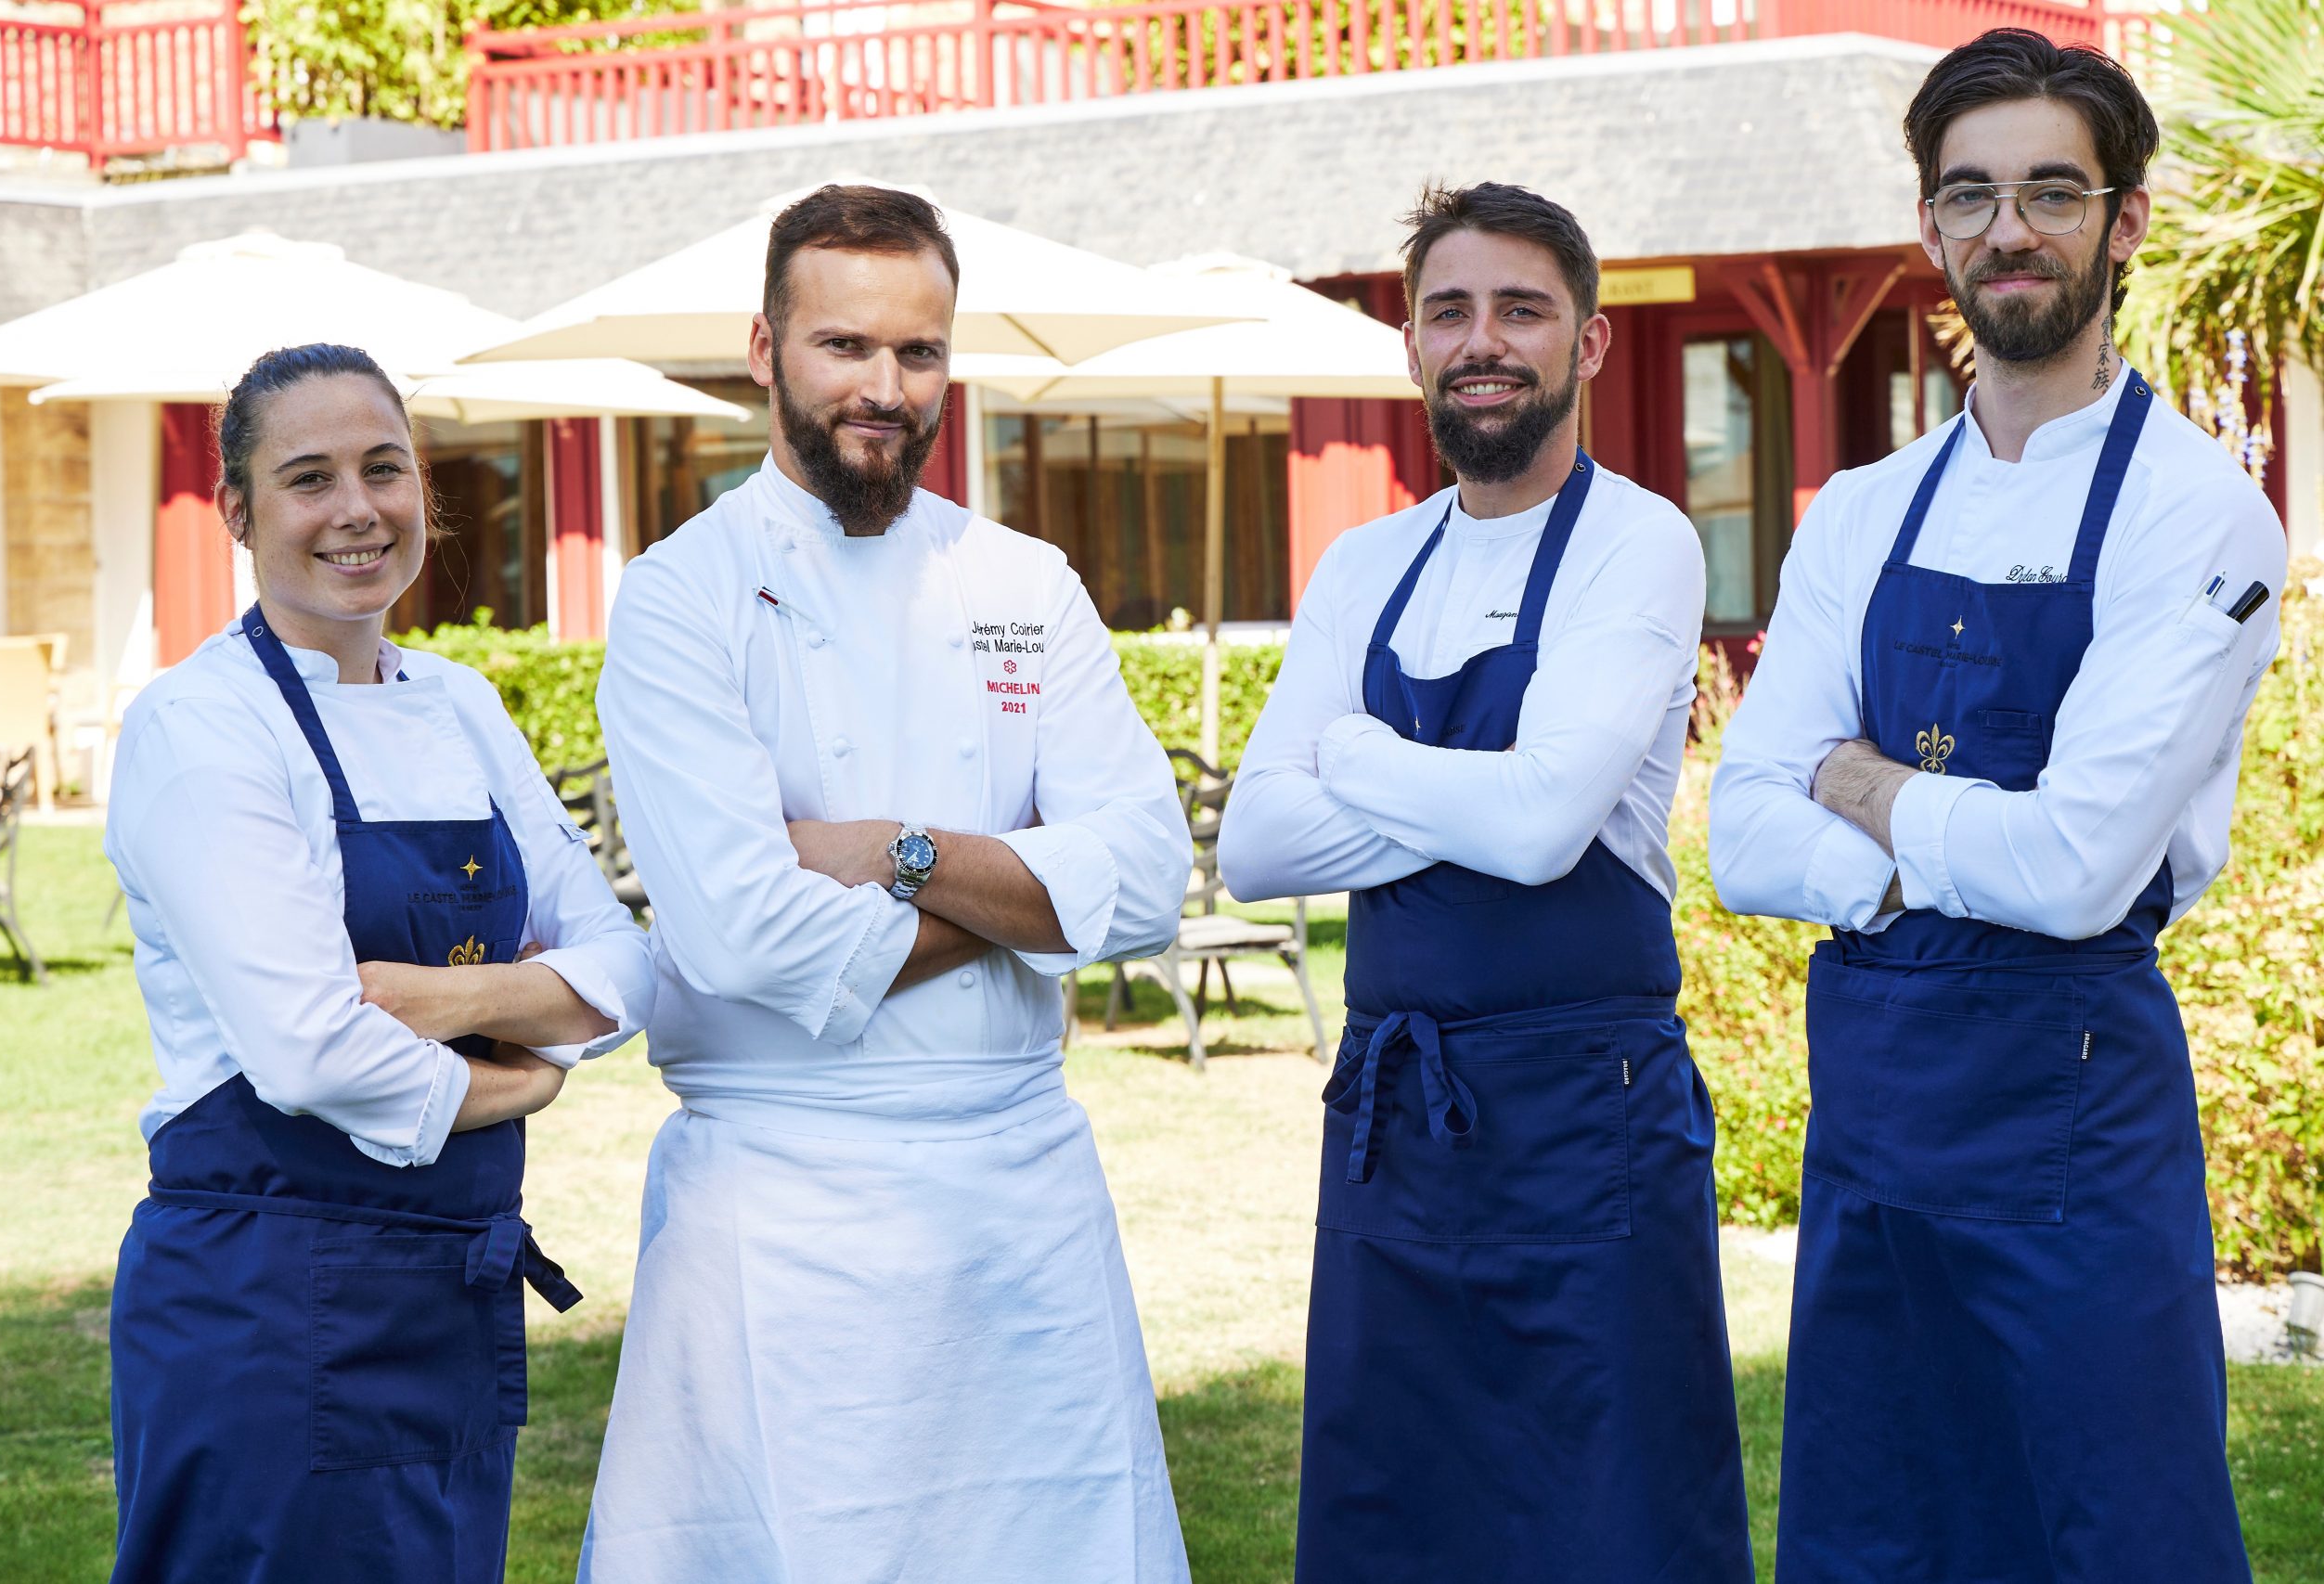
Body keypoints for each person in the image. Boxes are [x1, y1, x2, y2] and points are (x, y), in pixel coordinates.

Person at [1711, 30, 2283, 1582]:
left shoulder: (2201, 514)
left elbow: (2081, 869)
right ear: (1931, 229)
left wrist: (1859, 780)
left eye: (2049, 190)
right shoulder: (1865, 511)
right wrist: (1933, 857)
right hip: (1874, 1124)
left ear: (2125, 220)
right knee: (1877, 1531)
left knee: (2113, 1531)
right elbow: (1742, 833)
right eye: (1969, 196)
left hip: (2076, 1124)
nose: (2006, 231)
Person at [578, 185, 1194, 1583]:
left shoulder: (1024, 580)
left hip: (1019, 1199)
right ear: (764, 348)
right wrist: (1028, 896)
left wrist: (898, 850)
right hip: (778, 1208)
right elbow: (740, 936)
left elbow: (1149, 875)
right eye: (844, 346)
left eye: (919, 354)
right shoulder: (684, 597)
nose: (885, 387)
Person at [1218, 183, 1751, 1583]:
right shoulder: (1366, 562)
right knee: (1401, 1516)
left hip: (1595, 1125)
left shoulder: (1639, 542)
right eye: (1449, 310)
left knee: (1615, 1512)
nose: (1483, 341)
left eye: (1522, 308)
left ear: (1589, 345)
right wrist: (1488, 787)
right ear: (1411, 347)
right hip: (1397, 1127)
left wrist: (1354, 754)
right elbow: (1258, 846)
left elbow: (1540, 837)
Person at [102, 343, 654, 1581]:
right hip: (263, 1303)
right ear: (239, 513)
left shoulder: (463, 705)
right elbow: (307, 1050)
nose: (358, 510)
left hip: (450, 1296)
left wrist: (445, 1000)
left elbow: (630, 967)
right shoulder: (202, 728)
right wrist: (516, 1073)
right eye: (310, 478)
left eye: (385, 468)